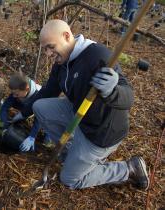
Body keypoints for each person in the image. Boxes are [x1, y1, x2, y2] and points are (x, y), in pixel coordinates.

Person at [19, 20, 149, 190]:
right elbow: (47, 92)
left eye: (50, 47)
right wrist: (22, 112)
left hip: (99, 132)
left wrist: (112, 91)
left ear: (66, 36)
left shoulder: (97, 56)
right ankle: (70, 153)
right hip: (79, 114)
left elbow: (128, 97)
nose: (47, 54)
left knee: (70, 179)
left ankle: (129, 168)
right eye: (45, 49)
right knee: (40, 107)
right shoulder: (62, 62)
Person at [0, 72, 48, 152]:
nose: (14, 96)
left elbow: (38, 119)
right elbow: (4, 107)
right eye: (13, 93)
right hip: (25, 105)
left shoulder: (38, 95)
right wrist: (5, 125)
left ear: (27, 89)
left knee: (46, 134)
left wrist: (32, 136)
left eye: (16, 94)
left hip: (44, 112)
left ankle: (48, 138)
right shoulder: (17, 90)